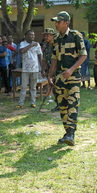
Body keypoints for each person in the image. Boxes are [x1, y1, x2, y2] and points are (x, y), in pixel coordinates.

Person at [47, 11, 87, 146]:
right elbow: (54, 59)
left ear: (66, 23)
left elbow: (83, 55)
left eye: (58, 22)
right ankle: (67, 132)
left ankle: (71, 133)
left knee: (73, 104)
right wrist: (50, 75)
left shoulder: (76, 36)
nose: (56, 24)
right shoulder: (56, 39)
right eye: (56, 22)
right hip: (60, 78)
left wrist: (71, 70)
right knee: (62, 106)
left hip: (73, 77)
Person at [18, 30, 43, 108]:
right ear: (26, 36)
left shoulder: (37, 44)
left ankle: (32, 103)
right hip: (25, 69)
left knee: (33, 87)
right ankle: (21, 103)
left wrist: (42, 67)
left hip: (35, 69)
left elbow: (39, 56)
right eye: (31, 35)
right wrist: (31, 45)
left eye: (33, 35)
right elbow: (22, 51)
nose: (33, 36)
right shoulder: (23, 44)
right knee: (23, 87)